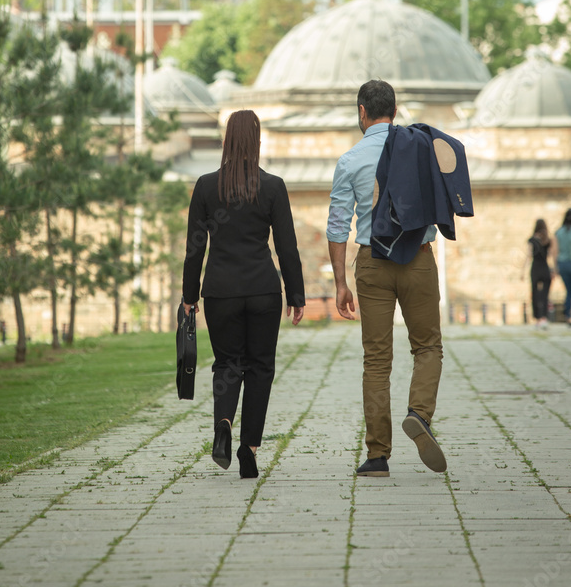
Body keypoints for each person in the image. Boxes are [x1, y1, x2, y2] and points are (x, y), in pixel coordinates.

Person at [326, 79, 446, 477]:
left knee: (376, 361)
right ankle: (420, 414)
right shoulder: (420, 149)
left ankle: (378, 455)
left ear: (362, 112)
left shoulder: (350, 159)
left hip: (373, 263)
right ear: (395, 111)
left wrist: (341, 282)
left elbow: (338, 225)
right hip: (419, 258)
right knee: (427, 346)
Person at [182, 109, 306, 479]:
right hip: (263, 290)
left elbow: (194, 248)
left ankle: (223, 422)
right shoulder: (272, 186)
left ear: (226, 141)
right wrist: (296, 295)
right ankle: (249, 446)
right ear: (257, 142)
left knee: (227, 364)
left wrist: (190, 295)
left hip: (221, 292)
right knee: (260, 368)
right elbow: (287, 247)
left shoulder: (206, 186)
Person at [521, 219, 555, 329]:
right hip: (545, 268)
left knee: (535, 293)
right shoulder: (547, 240)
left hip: (535, 268)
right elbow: (551, 256)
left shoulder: (532, 240)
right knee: (545, 294)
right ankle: (544, 318)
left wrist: (522, 271)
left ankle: (537, 318)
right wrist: (554, 270)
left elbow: (528, 256)